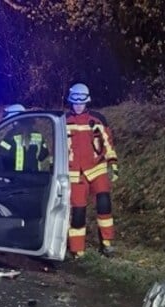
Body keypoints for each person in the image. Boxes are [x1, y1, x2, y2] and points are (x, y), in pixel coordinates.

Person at [64, 83, 118, 257]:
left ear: (87, 101)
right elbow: (58, 149)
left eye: (82, 102)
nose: (78, 105)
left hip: (97, 168)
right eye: (75, 102)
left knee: (104, 205)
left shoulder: (97, 119)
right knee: (78, 211)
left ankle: (107, 243)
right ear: (70, 102)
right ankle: (77, 249)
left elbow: (107, 142)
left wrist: (113, 162)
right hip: (75, 173)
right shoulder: (63, 122)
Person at [0, 108, 50, 173]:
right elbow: (43, 156)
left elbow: (2, 157)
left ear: (14, 122)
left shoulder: (10, 136)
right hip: (35, 177)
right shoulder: (38, 135)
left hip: (17, 178)